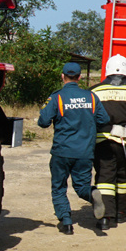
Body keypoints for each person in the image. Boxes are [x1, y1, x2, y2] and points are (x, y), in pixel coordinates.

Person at [37, 62, 109, 234]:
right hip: (85, 152)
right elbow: (104, 120)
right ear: (79, 77)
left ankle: (66, 223)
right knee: (81, 186)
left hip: (62, 151)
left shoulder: (57, 97)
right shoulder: (91, 97)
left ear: (62, 76)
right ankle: (91, 194)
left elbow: (43, 122)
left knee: (59, 186)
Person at [93, 54, 126, 231]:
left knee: (105, 177)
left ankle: (106, 217)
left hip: (103, 141)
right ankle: (122, 212)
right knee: (124, 176)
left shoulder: (95, 91)